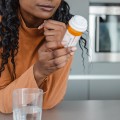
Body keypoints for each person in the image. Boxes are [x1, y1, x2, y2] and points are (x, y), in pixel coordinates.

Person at [0, 0, 78, 113]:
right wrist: (39, 72)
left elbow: (48, 102)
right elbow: (3, 104)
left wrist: (61, 47)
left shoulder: (62, 33)